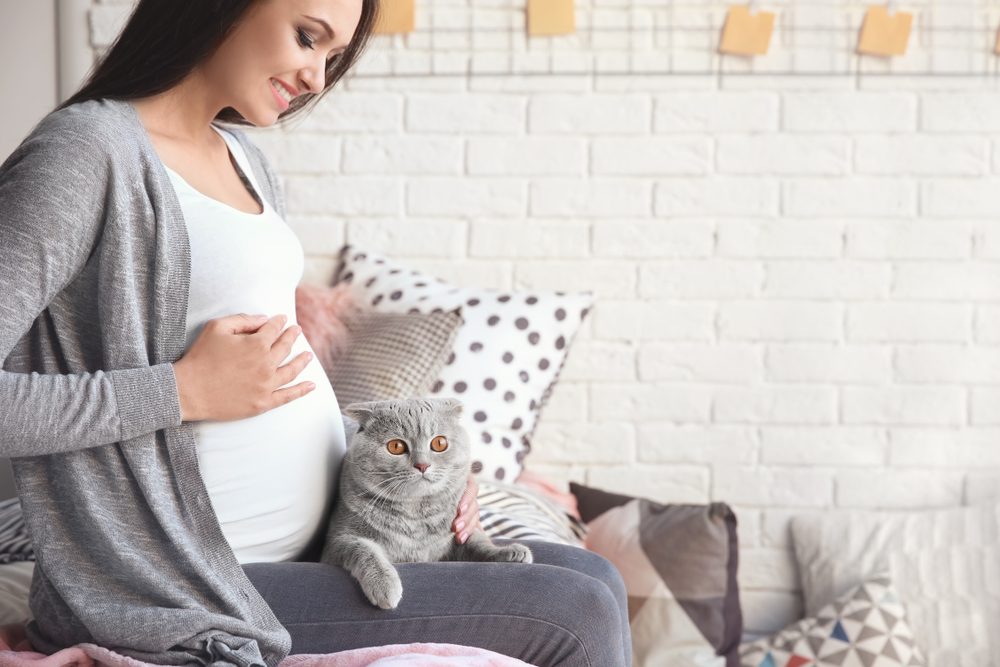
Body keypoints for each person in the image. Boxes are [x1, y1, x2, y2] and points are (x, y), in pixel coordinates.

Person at [0, 1, 632, 665]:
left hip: (312, 549)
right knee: (577, 613)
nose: (316, 77)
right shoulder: (84, 152)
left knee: (597, 576)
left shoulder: (244, 157)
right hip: (186, 588)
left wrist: (427, 480)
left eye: (332, 57)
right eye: (307, 37)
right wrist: (182, 391)